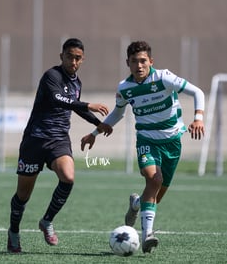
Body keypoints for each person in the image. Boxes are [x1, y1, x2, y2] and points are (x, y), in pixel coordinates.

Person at [81, 41, 205, 253]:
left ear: (151, 61)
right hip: (147, 140)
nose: (139, 65)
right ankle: (148, 235)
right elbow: (118, 114)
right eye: (134, 61)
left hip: (172, 141)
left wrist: (198, 118)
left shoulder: (164, 77)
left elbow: (197, 92)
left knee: (156, 194)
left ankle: (136, 204)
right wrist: (95, 133)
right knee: (154, 179)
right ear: (127, 63)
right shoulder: (124, 88)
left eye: (143, 61)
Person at [7, 38, 112, 253]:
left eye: (78, 58)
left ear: (82, 60)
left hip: (58, 140)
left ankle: (46, 221)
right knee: (23, 195)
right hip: (35, 140)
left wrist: (98, 123)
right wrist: (88, 104)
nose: (73, 62)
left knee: (68, 177)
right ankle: (14, 232)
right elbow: (58, 99)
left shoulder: (77, 83)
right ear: (61, 56)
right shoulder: (51, 76)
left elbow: (76, 107)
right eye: (70, 57)